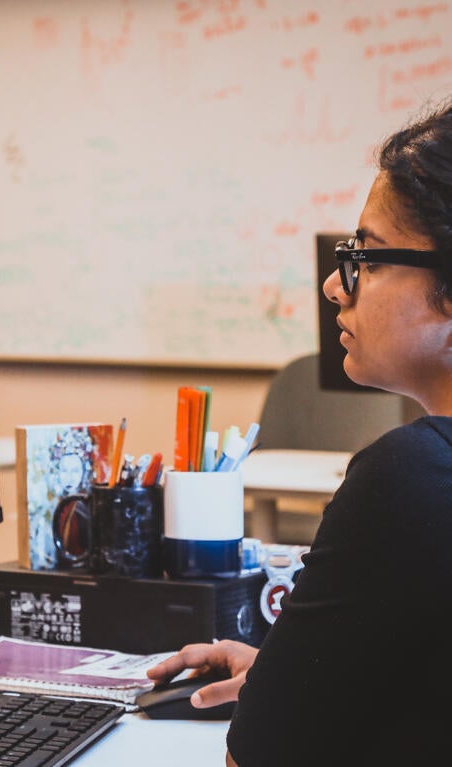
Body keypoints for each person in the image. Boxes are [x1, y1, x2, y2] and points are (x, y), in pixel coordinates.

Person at [147, 99, 452, 765]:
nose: (333, 285)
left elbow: (256, 758)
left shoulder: (408, 476)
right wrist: (295, 672)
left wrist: (276, 706)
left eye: (365, 258)